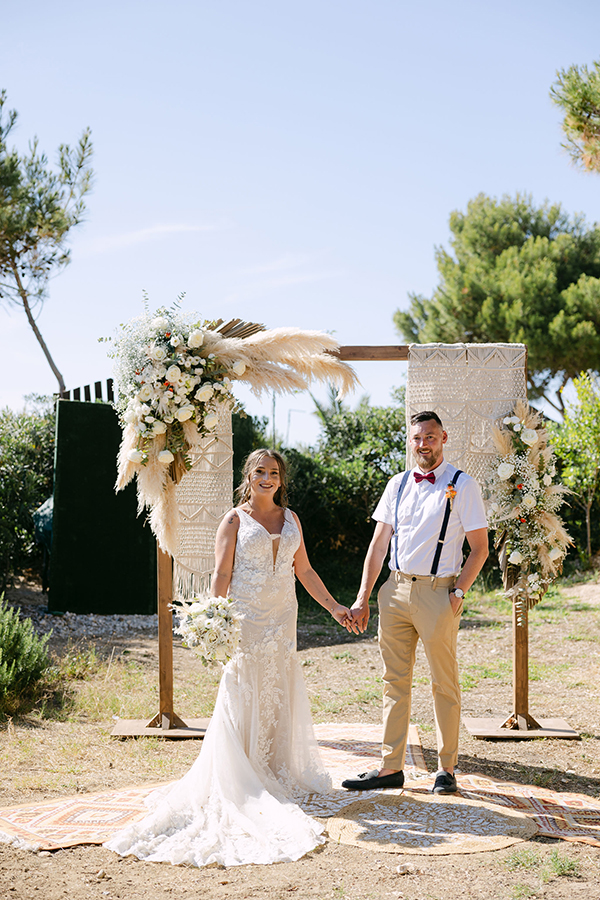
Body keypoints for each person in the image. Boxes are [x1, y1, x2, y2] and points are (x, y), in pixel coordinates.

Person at [106, 449, 353, 867]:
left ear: (281, 479)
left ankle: (273, 768)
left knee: (277, 690)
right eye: (261, 472)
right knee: (244, 692)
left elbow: (305, 571)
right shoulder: (235, 519)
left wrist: (335, 608)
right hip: (247, 620)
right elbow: (221, 574)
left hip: (282, 619)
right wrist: (213, 621)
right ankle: (242, 775)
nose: (268, 479)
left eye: (274, 473)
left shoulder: (292, 520)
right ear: (249, 475)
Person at [342, 411, 488, 795]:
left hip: (439, 593)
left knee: (444, 683)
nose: (423, 444)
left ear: (443, 437)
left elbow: (480, 548)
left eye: (430, 437)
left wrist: (458, 593)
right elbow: (378, 545)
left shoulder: (463, 485)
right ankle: (391, 767)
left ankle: (447, 768)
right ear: (411, 442)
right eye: (417, 439)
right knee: (394, 681)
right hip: (394, 590)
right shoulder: (398, 483)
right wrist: (364, 596)